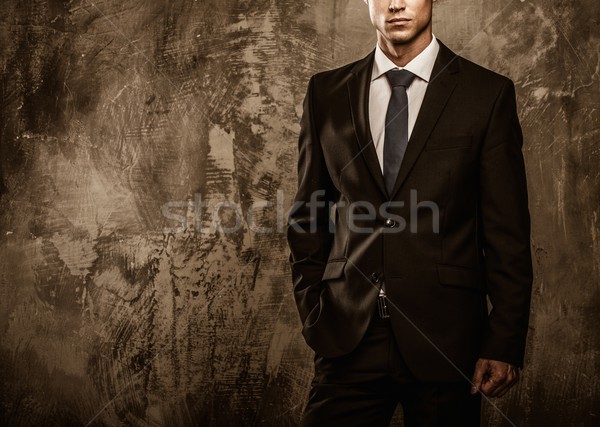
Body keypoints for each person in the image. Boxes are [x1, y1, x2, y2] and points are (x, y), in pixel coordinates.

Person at [286, 0, 533, 425]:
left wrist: (504, 341)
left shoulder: (486, 94)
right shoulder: (326, 92)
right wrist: (315, 311)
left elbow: (506, 232)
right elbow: (309, 216)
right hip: (348, 335)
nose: (396, 3)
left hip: (448, 340)